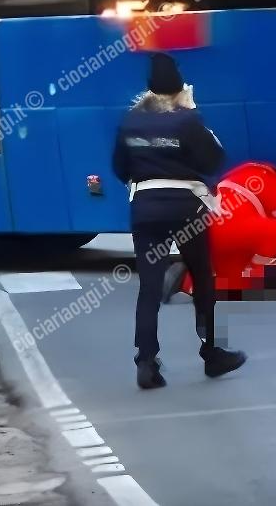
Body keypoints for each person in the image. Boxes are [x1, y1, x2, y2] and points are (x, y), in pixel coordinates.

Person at [112, 53, 247, 389]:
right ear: (178, 89)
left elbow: (119, 167)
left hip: (145, 207)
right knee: (202, 276)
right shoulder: (187, 120)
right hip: (186, 208)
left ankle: (146, 361)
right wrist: (192, 114)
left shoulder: (129, 122)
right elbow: (214, 158)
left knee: (149, 286)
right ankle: (212, 352)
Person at [163, 161, 276, 299]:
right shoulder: (274, 183)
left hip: (208, 231)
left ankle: (189, 283)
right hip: (232, 232)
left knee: (230, 272)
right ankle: (254, 280)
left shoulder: (239, 174)